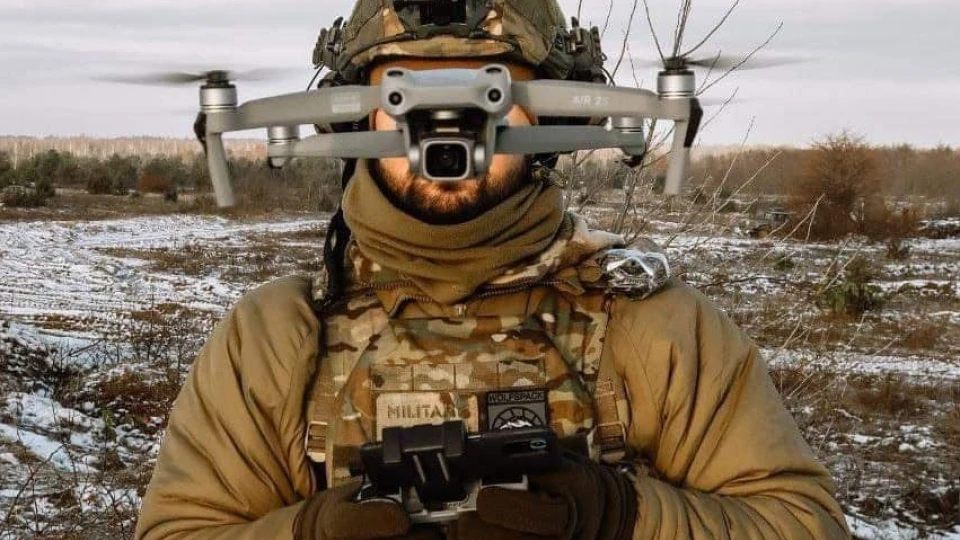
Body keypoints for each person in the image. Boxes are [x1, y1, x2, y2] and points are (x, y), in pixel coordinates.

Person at [135, 1, 850, 539]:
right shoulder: (273, 339)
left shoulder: (658, 328)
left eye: (489, 94)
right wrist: (307, 533)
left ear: (553, 114)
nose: (445, 133)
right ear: (353, 119)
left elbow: (800, 523)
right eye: (405, 96)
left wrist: (621, 515)